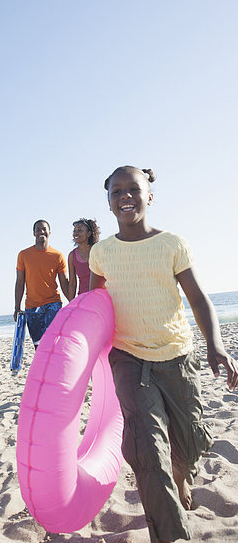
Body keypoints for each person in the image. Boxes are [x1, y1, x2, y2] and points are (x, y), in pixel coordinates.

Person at [89, 166, 238, 543]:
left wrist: (215, 345)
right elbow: (93, 307)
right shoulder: (101, 253)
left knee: (190, 438)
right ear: (108, 203)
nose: (125, 196)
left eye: (133, 189)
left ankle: (181, 471)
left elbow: (199, 298)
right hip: (128, 358)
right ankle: (171, 534)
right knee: (147, 452)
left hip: (176, 354)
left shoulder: (171, 243)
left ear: (149, 196)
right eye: (117, 191)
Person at [14, 220, 68, 349]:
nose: (41, 232)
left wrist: (73, 302)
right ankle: (44, 368)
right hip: (32, 306)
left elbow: (64, 282)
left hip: (53, 303)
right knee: (38, 346)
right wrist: (17, 307)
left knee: (53, 342)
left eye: (44, 229)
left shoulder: (58, 255)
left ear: (50, 232)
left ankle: (56, 368)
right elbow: (20, 282)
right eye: (38, 229)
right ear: (34, 233)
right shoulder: (23, 255)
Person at [67, 218, 100, 300]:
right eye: (74, 231)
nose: (76, 233)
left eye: (80, 230)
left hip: (100, 298)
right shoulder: (72, 256)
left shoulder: (98, 251)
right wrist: (71, 304)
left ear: (88, 234)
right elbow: (72, 283)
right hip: (83, 298)